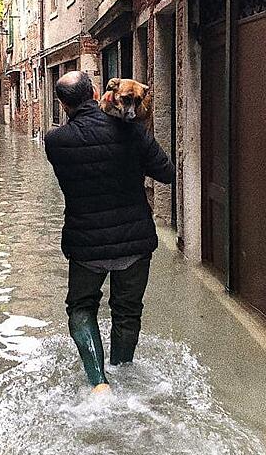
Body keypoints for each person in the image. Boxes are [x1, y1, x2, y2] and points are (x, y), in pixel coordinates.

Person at [44, 71, 175, 394]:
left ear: (62, 105)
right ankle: (124, 373)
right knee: (127, 311)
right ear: (98, 93)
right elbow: (167, 174)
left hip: (86, 246)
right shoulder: (132, 133)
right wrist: (138, 136)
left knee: (81, 307)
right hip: (135, 243)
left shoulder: (55, 141)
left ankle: (99, 383)